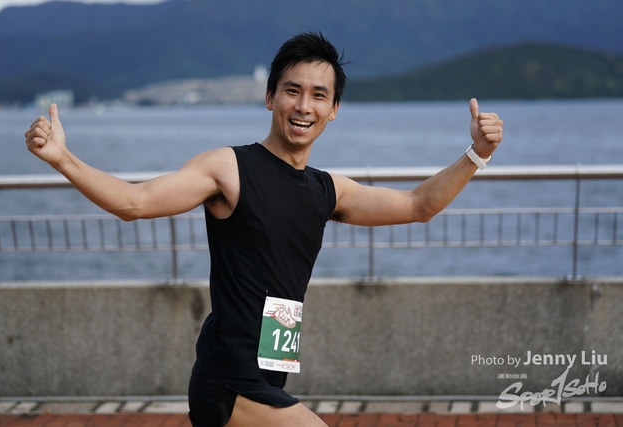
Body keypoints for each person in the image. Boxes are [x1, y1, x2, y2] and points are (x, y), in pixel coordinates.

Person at [25, 32, 503, 427]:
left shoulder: (327, 190)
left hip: (270, 375)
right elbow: (135, 202)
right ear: (270, 96)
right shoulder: (228, 169)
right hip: (228, 381)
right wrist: (63, 159)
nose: (304, 106)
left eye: (319, 95)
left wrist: (476, 154)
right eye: (292, 91)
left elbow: (419, 205)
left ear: (334, 109)